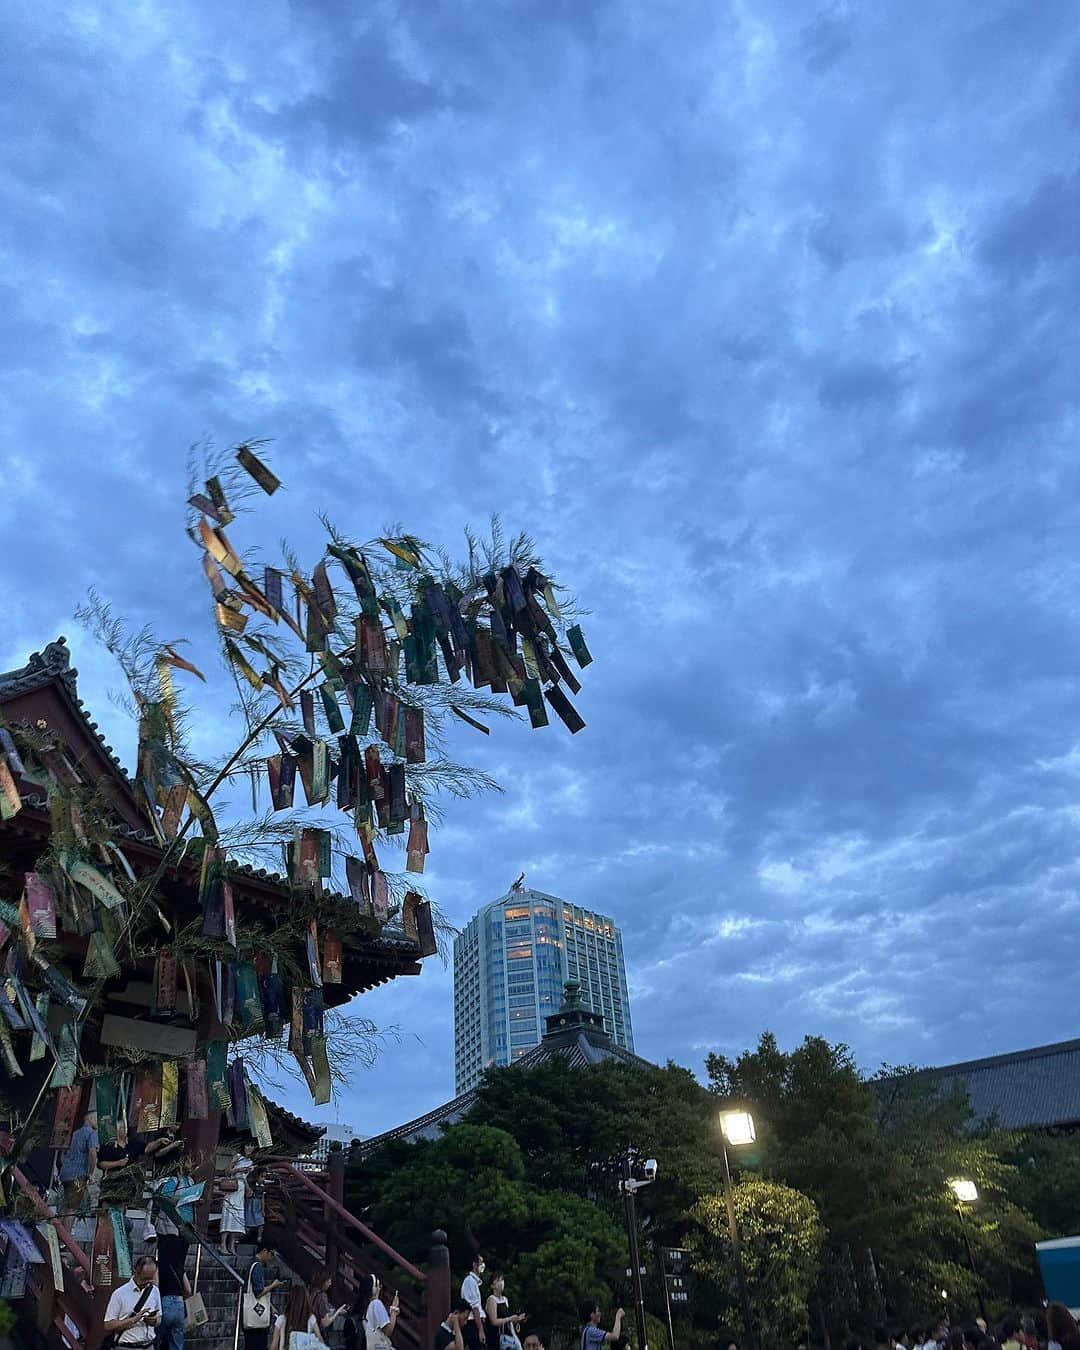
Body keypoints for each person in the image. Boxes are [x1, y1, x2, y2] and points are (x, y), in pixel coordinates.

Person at [103, 1256, 162, 1350]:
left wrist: (154, 1320)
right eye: (145, 1279)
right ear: (136, 1271)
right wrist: (134, 1319)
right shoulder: (119, 1294)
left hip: (149, 1345)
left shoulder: (154, 1290)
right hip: (126, 1346)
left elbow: (159, 1319)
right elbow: (108, 1325)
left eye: (151, 1278)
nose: (149, 1282)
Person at [155, 1222, 191, 1350]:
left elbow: (156, 1285)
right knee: (177, 1344)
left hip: (164, 1302)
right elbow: (188, 1289)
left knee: (156, 1340)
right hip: (179, 1305)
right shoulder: (179, 1267)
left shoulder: (159, 1265)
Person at [243, 1243, 286, 1350]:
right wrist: (273, 1285)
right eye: (271, 1254)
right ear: (264, 1251)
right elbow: (258, 1292)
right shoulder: (257, 1266)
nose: (271, 1258)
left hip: (252, 1314)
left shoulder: (252, 1264)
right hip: (256, 1320)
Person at [59, 1108, 98, 1218]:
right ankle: (65, 1234)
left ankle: (58, 1233)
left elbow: (64, 1152)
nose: (98, 1122)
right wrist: (91, 1172)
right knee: (73, 1208)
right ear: (89, 1118)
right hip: (78, 1175)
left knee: (64, 1206)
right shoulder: (91, 1133)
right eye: (96, 1118)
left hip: (65, 1173)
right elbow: (92, 1153)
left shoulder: (75, 1133)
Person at [220, 1148, 254, 1257]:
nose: (249, 1147)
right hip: (232, 1187)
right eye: (248, 1145)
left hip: (241, 1188)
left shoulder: (251, 1162)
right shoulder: (238, 1156)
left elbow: (246, 1179)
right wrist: (239, 1170)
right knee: (228, 1215)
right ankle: (222, 1245)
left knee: (237, 1217)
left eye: (252, 1145)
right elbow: (227, 1171)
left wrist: (248, 1189)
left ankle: (231, 1245)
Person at [485, 1272, 525, 1350]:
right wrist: (510, 1319)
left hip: (509, 1336)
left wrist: (516, 1319)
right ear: (492, 1285)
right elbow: (494, 1321)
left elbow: (507, 1319)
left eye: (502, 1279)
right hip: (497, 1337)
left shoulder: (505, 1299)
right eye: (498, 1280)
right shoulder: (491, 1299)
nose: (501, 1282)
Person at [364, 1274, 400, 1350]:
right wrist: (394, 1309)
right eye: (376, 1285)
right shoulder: (376, 1303)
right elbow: (388, 1331)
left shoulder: (365, 1305)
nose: (379, 1288)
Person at [309, 1269, 348, 1339]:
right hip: (316, 1332)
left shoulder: (311, 1290)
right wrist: (338, 1312)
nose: (330, 1283)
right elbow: (325, 1323)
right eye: (329, 1281)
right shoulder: (322, 1296)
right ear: (324, 1282)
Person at [461, 1255, 486, 1350]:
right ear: (474, 1265)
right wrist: (480, 1330)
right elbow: (475, 1308)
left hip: (477, 1323)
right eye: (481, 1263)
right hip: (473, 1324)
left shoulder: (475, 1282)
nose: (483, 1265)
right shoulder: (470, 1281)